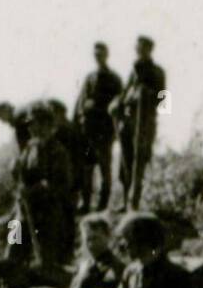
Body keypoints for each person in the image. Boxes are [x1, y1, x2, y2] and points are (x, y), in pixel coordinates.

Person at [8, 102, 74, 270]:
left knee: (46, 262)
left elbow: (59, 186)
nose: (31, 129)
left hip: (47, 216)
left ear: (46, 125)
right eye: (29, 125)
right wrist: (15, 169)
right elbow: (21, 174)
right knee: (12, 251)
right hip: (22, 212)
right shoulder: (29, 148)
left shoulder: (58, 152)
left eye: (35, 124)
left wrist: (32, 190)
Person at [111, 35, 165, 210]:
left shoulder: (157, 72)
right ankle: (126, 201)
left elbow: (164, 101)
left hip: (144, 122)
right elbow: (126, 92)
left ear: (150, 49)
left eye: (143, 48)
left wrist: (146, 97)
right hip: (127, 121)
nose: (139, 51)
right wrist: (118, 102)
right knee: (125, 163)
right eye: (137, 48)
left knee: (138, 162)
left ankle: (134, 202)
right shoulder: (133, 71)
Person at [73, 42, 123, 213]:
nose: (98, 57)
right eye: (95, 55)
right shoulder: (90, 78)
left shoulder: (114, 79)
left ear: (106, 55)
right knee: (87, 168)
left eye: (101, 54)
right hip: (88, 131)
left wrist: (116, 130)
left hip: (104, 131)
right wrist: (78, 121)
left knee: (104, 168)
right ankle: (86, 203)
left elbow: (120, 104)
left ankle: (103, 205)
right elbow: (80, 101)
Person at [68, 213, 126, 288]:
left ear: (107, 236)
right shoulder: (82, 265)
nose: (91, 244)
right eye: (88, 240)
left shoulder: (117, 267)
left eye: (95, 238)